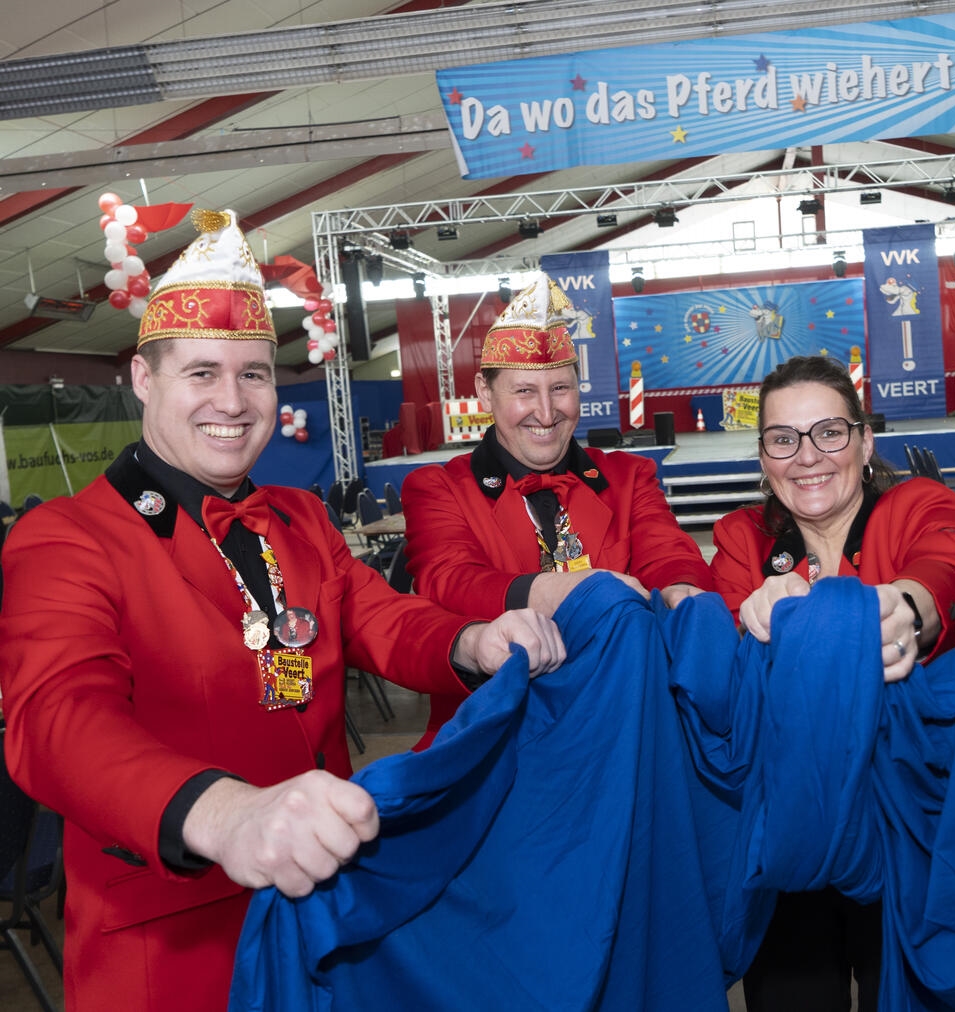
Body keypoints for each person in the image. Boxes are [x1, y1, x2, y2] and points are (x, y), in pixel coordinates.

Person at [0, 210, 565, 1012]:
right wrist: (221, 813)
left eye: (255, 374)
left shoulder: (298, 517)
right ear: (142, 378)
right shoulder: (68, 536)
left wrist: (475, 638)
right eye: (202, 372)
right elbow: (57, 723)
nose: (232, 402)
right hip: (174, 940)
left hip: (329, 912)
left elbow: (382, 618)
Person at [710, 354, 955, 1012]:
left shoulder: (915, 505)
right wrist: (748, 623)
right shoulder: (742, 540)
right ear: (763, 456)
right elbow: (726, 670)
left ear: (865, 442)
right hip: (789, 838)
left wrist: (909, 605)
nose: (807, 456)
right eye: (783, 438)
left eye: (829, 433)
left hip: (905, 835)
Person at [401, 272, 714, 745]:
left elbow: (667, 551)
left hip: (623, 724)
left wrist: (681, 592)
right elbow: (450, 583)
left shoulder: (629, 476)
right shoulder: (438, 487)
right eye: (524, 391)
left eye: (561, 389)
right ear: (486, 395)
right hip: (499, 737)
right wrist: (571, 591)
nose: (546, 413)